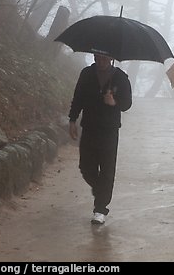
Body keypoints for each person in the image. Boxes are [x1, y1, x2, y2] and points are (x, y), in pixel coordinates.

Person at [68, 52, 132, 225]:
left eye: (105, 58)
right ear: (94, 57)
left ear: (111, 58)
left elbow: (127, 103)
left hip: (109, 130)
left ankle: (100, 209)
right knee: (86, 167)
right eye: (98, 57)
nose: (101, 61)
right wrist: (72, 120)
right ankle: (101, 191)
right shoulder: (86, 74)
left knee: (107, 169)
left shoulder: (120, 77)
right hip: (89, 126)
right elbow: (78, 98)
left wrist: (114, 102)